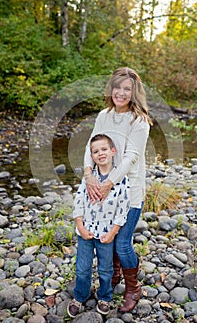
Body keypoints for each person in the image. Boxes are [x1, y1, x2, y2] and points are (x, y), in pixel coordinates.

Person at [83, 67, 151, 313]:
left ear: (134, 93)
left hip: (128, 191)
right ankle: (114, 276)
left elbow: (131, 157)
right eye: (117, 87)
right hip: (102, 187)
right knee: (107, 239)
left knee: (122, 243)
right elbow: (92, 146)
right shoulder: (104, 115)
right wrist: (89, 175)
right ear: (111, 88)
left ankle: (133, 287)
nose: (121, 93)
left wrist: (109, 182)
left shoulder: (139, 121)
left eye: (127, 89)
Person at [67, 133, 130, 318]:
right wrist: (80, 225)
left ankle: (104, 297)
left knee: (105, 268)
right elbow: (78, 202)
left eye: (104, 149)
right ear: (91, 156)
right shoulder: (89, 178)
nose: (100, 154)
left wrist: (113, 232)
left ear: (113, 151)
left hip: (106, 233)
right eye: (95, 151)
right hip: (85, 232)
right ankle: (80, 295)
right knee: (83, 268)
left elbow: (123, 208)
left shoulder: (120, 179)